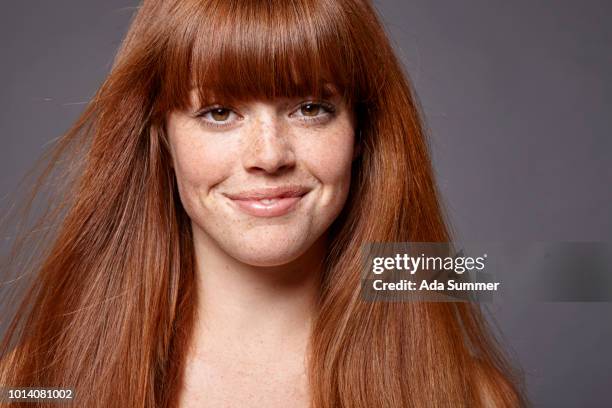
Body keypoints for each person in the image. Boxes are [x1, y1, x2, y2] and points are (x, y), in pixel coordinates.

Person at [0, 0, 527, 406]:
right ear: (159, 138)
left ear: (361, 132)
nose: (269, 156)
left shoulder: (472, 398)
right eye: (219, 112)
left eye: (311, 107)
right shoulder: (31, 387)